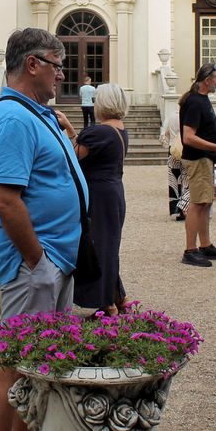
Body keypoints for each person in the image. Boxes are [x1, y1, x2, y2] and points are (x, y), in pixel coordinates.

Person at [0, 28, 86, 431]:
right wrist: (37, 261)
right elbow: (6, 199)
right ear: (32, 64)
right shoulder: (12, 118)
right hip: (34, 263)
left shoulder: (36, 113)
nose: (63, 75)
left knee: (39, 361)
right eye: (57, 65)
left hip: (53, 260)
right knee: (14, 365)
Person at [73, 83, 130, 315]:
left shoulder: (99, 131)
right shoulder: (119, 128)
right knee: (108, 247)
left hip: (99, 194)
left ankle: (106, 303)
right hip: (113, 192)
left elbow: (72, 157)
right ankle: (118, 297)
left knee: (97, 247)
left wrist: (67, 129)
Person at [178, 63, 216, 266]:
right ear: (207, 80)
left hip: (205, 158)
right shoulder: (195, 102)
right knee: (198, 203)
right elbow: (188, 137)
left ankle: (205, 245)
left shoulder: (201, 99)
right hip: (198, 158)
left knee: (206, 202)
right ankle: (190, 250)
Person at [160, 112, 189, 221]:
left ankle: (175, 210)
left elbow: (165, 133)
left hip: (173, 149)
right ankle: (185, 209)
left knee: (174, 179)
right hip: (185, 149)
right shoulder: (188, 116)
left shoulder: (171, 116)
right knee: (185, 178)